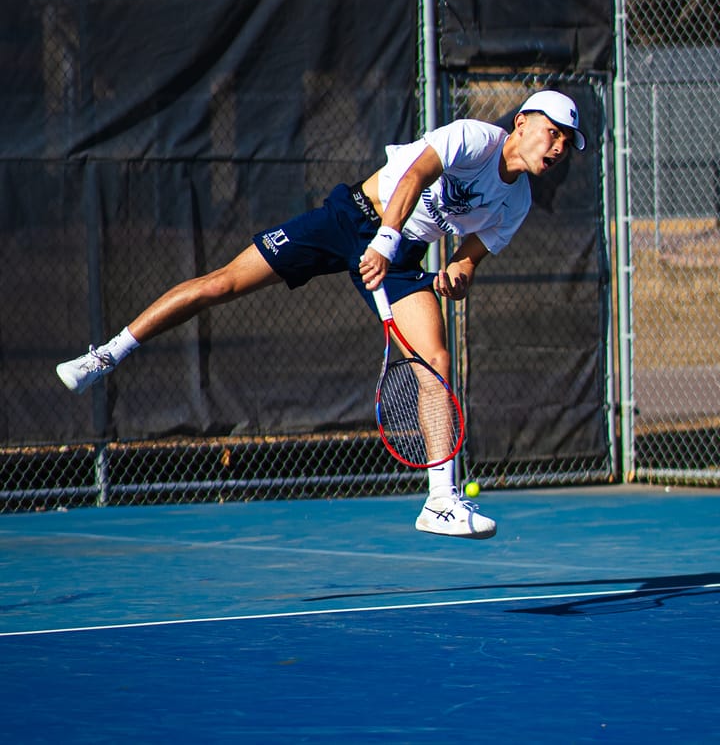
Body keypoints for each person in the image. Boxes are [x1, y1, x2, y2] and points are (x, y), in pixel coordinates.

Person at [56, 89, 586, 539]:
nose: (559, 147)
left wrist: (458, 277)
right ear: (522, 122)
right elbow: (413, 180)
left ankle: (440, 501)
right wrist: (381, 239)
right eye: (554, 132)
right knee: (223, 284)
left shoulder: (515, 204)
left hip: (400, 260)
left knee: (434, 362)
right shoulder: (473, 137)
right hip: (350, 218)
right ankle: (106, 355)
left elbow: (470, 258)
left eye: (568, 142)